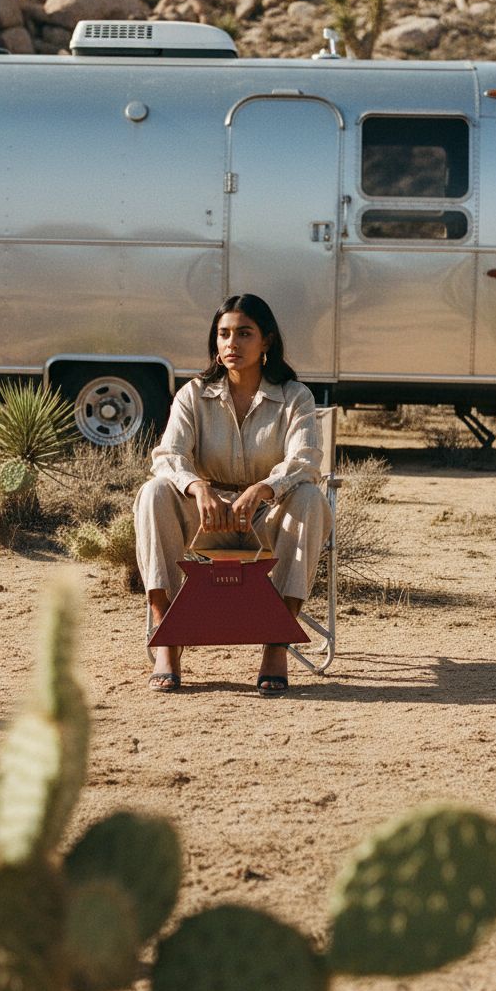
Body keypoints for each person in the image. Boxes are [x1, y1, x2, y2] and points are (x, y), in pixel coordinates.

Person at [134, 293, 332, 696]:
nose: (232, 344)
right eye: (223, 334)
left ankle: (277, 642)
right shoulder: (193, 394)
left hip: (266, 515)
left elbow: (306, 459)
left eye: (244, 333)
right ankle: (167, 638)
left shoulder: (295, 396)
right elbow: (168, 455)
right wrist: (197, 486)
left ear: (266, 341)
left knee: (310, 497)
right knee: (154, 492)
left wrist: (263, 488)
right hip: (206, 517)